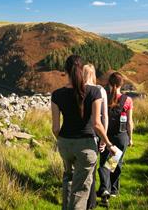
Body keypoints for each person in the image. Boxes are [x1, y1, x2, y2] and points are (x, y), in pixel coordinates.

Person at [51, 55, 118, 210]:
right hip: (86, 146)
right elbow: (97, 124)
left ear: (65, 70)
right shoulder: (94, 92)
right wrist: (108, 144)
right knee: (80, 189)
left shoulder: (56, 95)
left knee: (68, 179)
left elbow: (55, 128)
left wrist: (61, 141)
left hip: (65, 144)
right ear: (82, 69)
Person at [97, 72, 134, 205]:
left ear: (110, 83)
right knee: (114, 163)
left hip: (105, 136)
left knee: (105, 164)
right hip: (121, 136)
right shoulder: (128, 100)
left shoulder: (103, 98)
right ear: (121, 84)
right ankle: (111, 190)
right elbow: (129, 122)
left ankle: (106, 189)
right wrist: (130, 137)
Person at [83, 64, 108, 210]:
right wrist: (104, 138)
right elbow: (104, 115)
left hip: (80, 131)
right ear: (93, 74)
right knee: (92, 168)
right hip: (96, 132)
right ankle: (90, 203)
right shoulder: (99, 90)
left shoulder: (77, 88)